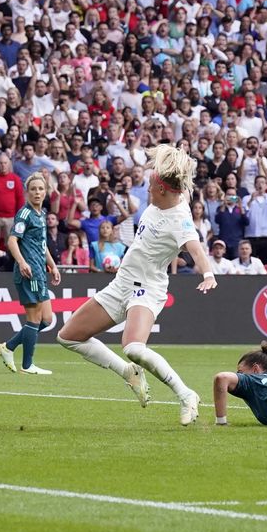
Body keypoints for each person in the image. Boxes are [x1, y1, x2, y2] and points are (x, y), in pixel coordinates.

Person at [57, 145, 217, 425]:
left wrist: (208, 275)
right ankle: (129, 373)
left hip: (148, 288)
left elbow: (197, 250)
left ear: (165, 191)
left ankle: (186, 394)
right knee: (68, 336)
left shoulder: (180, 219)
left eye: (152, 188)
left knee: (132, 347)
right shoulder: (162, 198)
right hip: (121, 283)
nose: (147, 191)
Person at [0, 173, 61, 375]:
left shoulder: (41, 214)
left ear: (46, 192)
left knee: (47, 320)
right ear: (27, 192)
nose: (37, 192)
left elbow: (42, 246)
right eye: (33, 189)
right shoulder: (24, 214)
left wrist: (53, 265)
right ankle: (27, 365)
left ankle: (8, 346)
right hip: (29, 274)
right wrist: (22, 262)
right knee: (33, 320)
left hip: (40, 272)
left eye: (40, 189)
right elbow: (12, 241)